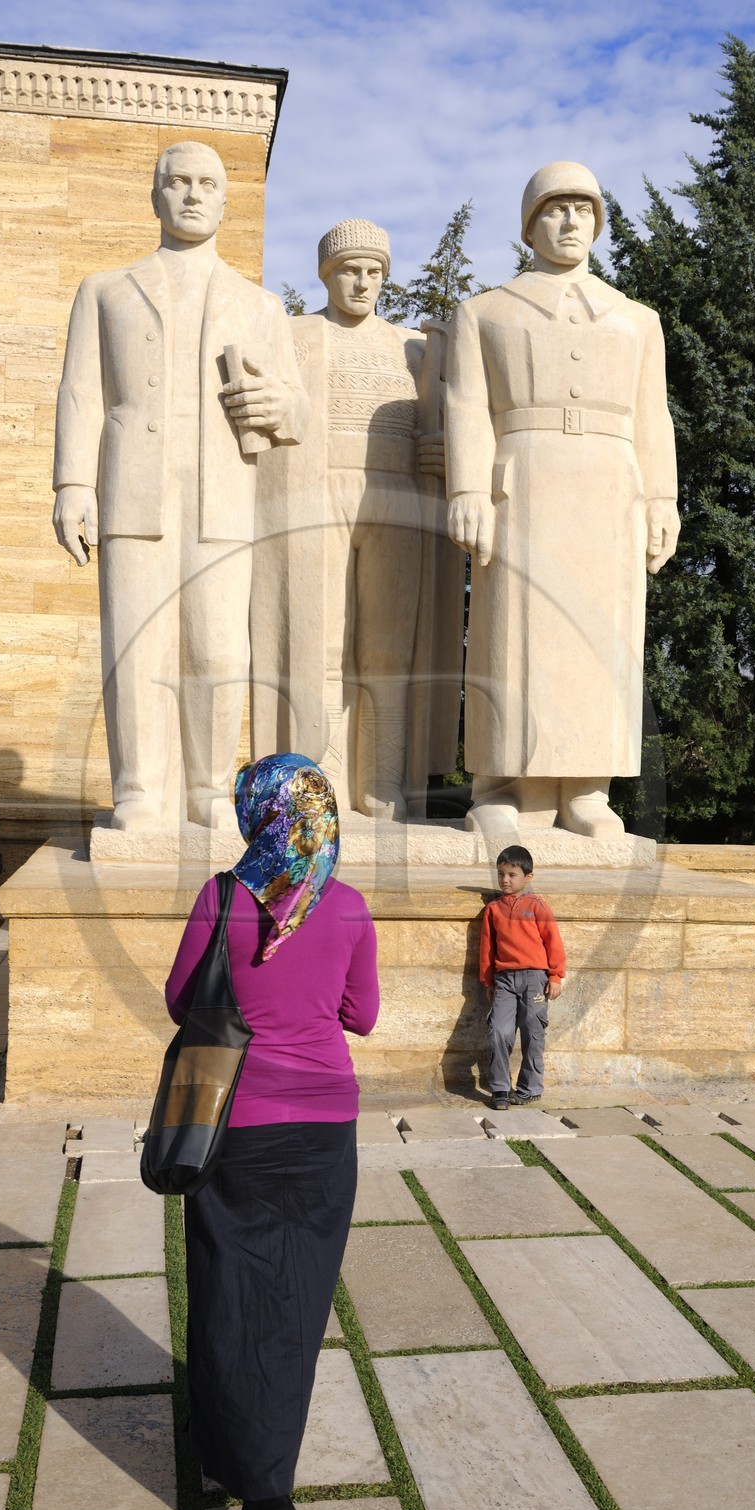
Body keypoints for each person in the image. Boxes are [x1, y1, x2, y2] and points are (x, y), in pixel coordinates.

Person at [52, 141, 307, 831]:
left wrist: (278, 409)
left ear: (225, 202)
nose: (192, 194)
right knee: (137, 641)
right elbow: (81, 390)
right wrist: (73, 482)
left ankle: (208, 790)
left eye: (206, 184)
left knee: (219, 646)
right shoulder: (106, 290)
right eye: (178, 182)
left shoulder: (260, 305)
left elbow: (297, 406)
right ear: (156, 194)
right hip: (134, 491)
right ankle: (139, 789)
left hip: (224, 495)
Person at [164, 752, 378, 1510]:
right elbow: (363, 1015)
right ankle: (250, 1458)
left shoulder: (224, 898)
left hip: (237, 1127)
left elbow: (183, 1001)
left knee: (228, 1294)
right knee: (293, 1303)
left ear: (258, 814)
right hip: (326, 1131)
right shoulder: (350, 905)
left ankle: (260, 1489)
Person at [445, 161, 679, 840]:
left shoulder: (635, 319)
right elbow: (466, 404)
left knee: (596, 635)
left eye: (584, 209)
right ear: (529, 224)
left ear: (599, 223)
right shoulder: (485, 311)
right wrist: (467, 487)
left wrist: (661, 498)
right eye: (555, 208)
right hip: (523, 480)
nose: (571, 220)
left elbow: (652, 416)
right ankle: (499, 785)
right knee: (510, 634)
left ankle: (586, 788)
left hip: (611, 487)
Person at [252, 218, 463, 819]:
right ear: (327, 274)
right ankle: (321, 780)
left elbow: (453, 428)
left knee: (390, 651)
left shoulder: (415, 349)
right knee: (321, 645)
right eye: (350, 270)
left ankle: (384, 780)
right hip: (320, 495)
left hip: (395, 497)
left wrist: (443, 452)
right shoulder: (294, 337)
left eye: (374, 272)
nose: (363, 282)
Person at [479, 845, 566, 1110]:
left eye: (512, 874)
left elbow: (553, 941)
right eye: (501, 874)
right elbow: (487, 948)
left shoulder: (537, 905)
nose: (505, 880)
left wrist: (556, 976)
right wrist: (488, 981)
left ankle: (529, 1088)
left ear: (528, 876)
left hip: (535, 980)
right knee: (499, 1031)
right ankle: (500, 1088)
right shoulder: (493, 910)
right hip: (504, 980)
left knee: (533, 1031)